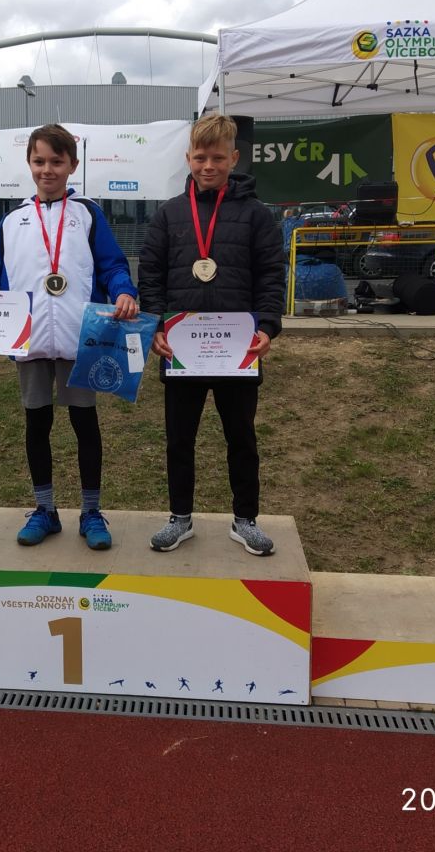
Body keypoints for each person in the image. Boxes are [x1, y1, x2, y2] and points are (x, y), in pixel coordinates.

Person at [0, 123, 138, 550]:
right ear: (28, 163)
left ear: (72, 165)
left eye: (56, 161)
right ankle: (45, 510)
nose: (46, 169)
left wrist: (124, 290)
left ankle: (91, 512)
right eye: (39, 161)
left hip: (79, 338)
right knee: (37, 423)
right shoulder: (13, 220)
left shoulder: (88, 215)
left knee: (84, 424)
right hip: (28, 340)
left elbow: (111, 264)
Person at [138, 113, 284, 556]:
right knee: (179, 440)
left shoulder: (257, 216)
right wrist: (155, 326)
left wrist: (267, 327)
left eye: (217, 158)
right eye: (200, 157)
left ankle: (246, 520)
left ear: (234, 159)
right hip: (182, 350)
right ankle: (180, 518)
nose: (208, 166)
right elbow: (151, 276)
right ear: (188, 158)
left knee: (241, 438)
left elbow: (271, 276)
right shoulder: (168, 215)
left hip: (237, 349)